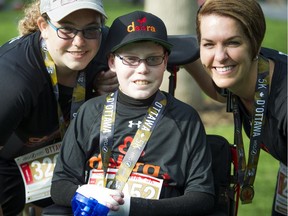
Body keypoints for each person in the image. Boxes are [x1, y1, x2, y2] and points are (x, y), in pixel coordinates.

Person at [51, 10, 215, 216]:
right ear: (112, 62)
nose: (142, 69)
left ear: (165, 61)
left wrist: (131, 208)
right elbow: (59, 185)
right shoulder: (91, 112)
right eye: (130, 59)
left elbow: (202, 197)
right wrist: (82, 192)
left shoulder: (185, 120)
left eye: (153, 59)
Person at [0, 0, 118, 215]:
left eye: (91, 28)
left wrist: (117, 81)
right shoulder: (13, 81)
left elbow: (173, 50)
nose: (80, 41)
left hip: (69, 159)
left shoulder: (106, 43)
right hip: (11, 162)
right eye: (67, 29)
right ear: (44, 27)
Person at [184, 0, 287, 215]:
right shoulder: (247, 75)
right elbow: (219, 91)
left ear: (255, 44)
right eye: (209, 44)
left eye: (232, 43)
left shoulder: (284, 103)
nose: (220, 57)